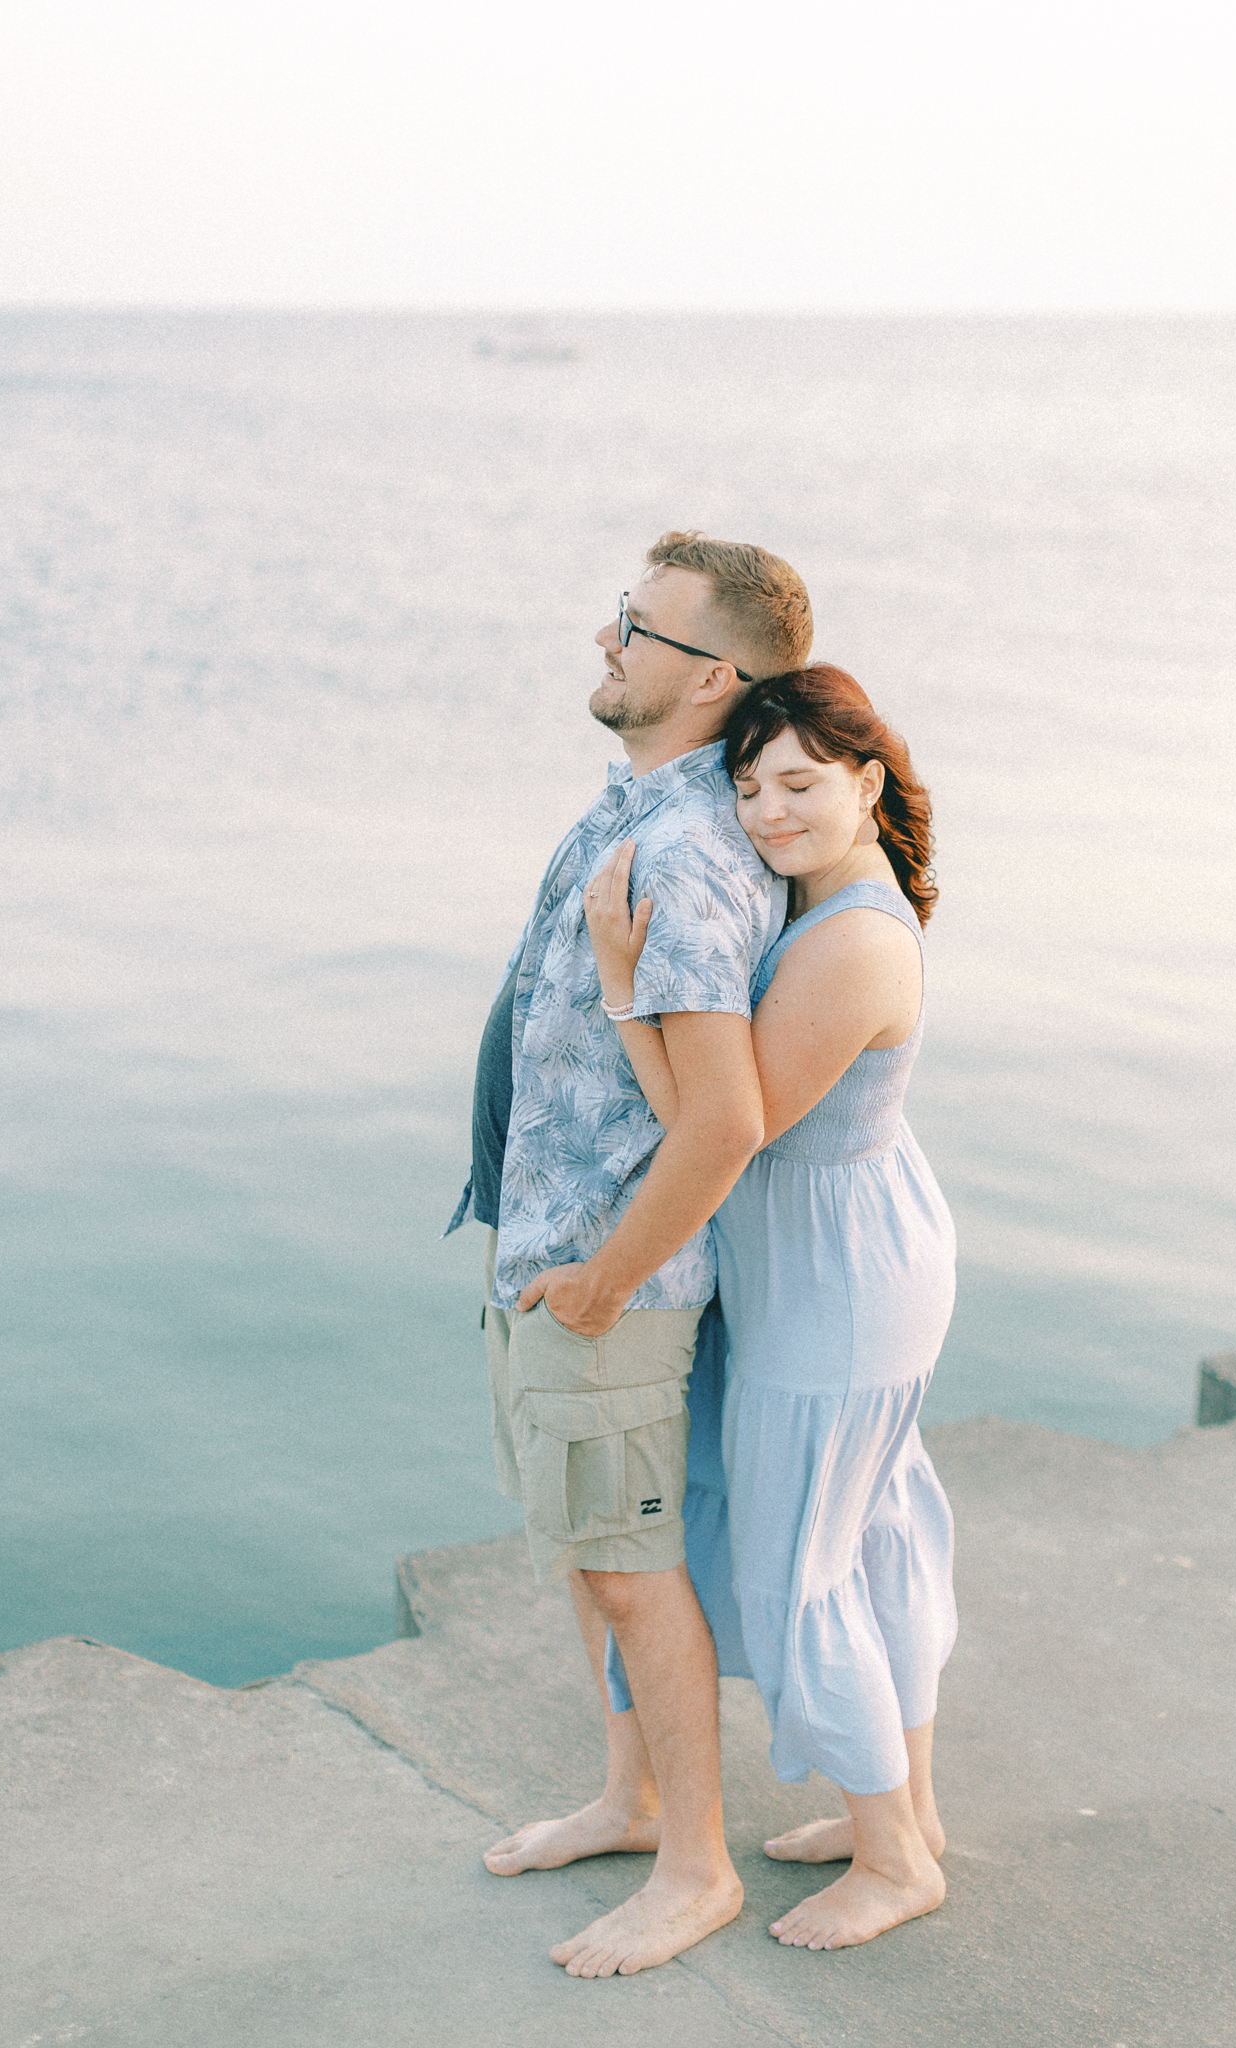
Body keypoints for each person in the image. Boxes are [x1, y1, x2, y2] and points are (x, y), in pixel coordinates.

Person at [446, 531, 814, 1977]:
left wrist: (602, 1283)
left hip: (610, 1278)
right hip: (539, 1246)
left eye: (634, 627)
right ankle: (627, 1796)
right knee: (585, 1555)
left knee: (629, 1565)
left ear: (714, 673)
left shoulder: (688, 851)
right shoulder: (631, 803)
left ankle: (695, 1866)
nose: (605, 642)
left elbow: (724, 1120)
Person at [584, 664, 958, 1954]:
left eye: (799, 782)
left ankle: (899, 1858)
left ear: (866, 779)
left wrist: (629, 984)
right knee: (878, 1536)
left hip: (836, 1278)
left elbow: (717, 1126)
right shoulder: (831, 899)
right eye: (748, 787)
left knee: (806, 1554)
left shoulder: (854, 939)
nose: (767, 812)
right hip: (844, 1251)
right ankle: (900, 1813)